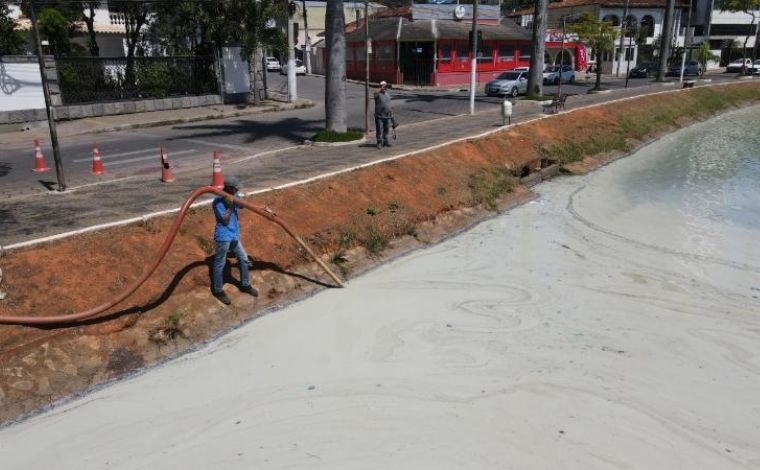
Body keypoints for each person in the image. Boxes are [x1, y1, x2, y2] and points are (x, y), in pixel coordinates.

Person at [211, 176, 258, 305]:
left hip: (234, 235)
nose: (238, 189)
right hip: (223, 236)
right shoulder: (218, 202)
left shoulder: (234, 195)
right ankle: (217, 290)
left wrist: (234, 200)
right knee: (219, 263)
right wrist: (230, 206)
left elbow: (242, 206)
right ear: (229, 188)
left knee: (243, 258)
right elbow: (225, 221)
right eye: (236, 188)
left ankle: (245, 284)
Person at [373, 80, 394, 149]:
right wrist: (380, 88)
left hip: (387, 115)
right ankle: (379, 142)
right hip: (379, 115)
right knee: (379, 129)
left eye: (385, 86)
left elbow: (389, 103)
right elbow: (375, 93)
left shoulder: (388, 94)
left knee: (386, 129)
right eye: (383, 86)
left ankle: (385, 141)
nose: (385, 87)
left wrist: (391, 109)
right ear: (380, 86)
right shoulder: (377, 93)